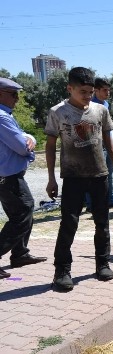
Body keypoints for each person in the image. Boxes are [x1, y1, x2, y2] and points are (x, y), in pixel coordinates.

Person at [45, 67, 113, 291]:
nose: (88, 96)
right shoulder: (58, 112)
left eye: (91, 91)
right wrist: (51, 179)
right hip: (72, 177)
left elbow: (108, 142)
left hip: (99, 175)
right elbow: (50, 147)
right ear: (70, 88)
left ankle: (103, 263)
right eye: (83, 91)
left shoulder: (100, 111)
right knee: (69, 223)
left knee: (102, 223)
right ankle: (62, 270)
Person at [0, 78, 47, 280]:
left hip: (8, 176)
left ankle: (20, 253)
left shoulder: (6, 116)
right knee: (23, 213)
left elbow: (25, 139)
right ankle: (18, 252)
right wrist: (28, 141)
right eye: (13, 94)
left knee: (20, 213)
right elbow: (21, 146)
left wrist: (31, 138)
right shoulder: (2, 118)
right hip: (8, 177)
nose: (17, 99)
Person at [89, 77, 113, 208]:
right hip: (96, 145)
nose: (107, 93)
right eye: (104, 90)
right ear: (95, 90)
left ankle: (110, 199)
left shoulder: (106, 104)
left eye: (109, 90)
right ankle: (91, 204)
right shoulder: (90, 104)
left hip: (108, 144)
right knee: (95, 176)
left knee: (109, 172)